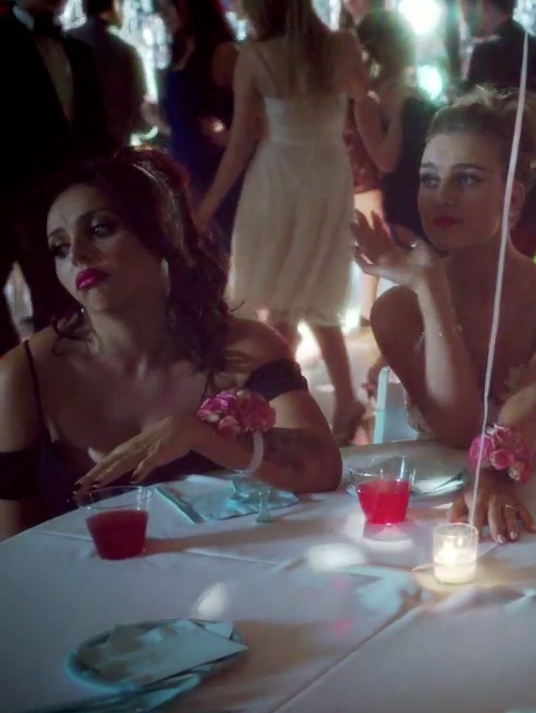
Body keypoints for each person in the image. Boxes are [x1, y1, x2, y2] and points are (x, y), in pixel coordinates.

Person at [0, 149, 342, 541]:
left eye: (99, 229)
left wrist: (204, 436)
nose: (77, 255)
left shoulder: (248, 348)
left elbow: (323, 469)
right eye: (59, 248)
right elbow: (10, 544)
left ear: (164, 232)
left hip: (230, 566)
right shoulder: (23, 375)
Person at [352, 87, 536, 545]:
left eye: (466, 180)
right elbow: (459, 426)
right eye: (430, 179)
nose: (442, 197)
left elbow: (534, 401)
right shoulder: (396, 310)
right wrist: (431, 290)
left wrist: (495, 471)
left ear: (513, 200)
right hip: (429, 519)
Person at [197, 0, 369, 445]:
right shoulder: (341, 45)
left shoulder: (255, 56)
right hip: (327, 174)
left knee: (285, 295)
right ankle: (318, 400)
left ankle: (267, 403)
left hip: (279, 179)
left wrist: (206, 207)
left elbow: (239, 144)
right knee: (306, 293)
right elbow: (360, 100)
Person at [0, 0, 117, 355]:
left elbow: (96, 134)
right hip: (11, 204)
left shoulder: (81, 52)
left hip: (73, 204)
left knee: (66, 306)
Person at [460, 0, 536, 260]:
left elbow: (473, 118)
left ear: (483, 5)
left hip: (504, 181)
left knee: (496, 268)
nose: (462, 16)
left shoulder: (490, 52)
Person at [155, 0, 240, 251]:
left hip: (220, 179)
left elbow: (254, 125)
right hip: (184, 177)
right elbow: (187, 127)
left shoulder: (223, 53)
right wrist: (159, 120)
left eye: (169, 7)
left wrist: (226, 135)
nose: (163, 15)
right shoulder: (179, 51)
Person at [355, 9, 437, 244]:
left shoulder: (411, 89)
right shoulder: (368, 100)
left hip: (430, 192)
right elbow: (385, 161)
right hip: (405, 203)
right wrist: (403, 111)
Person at [339, 0, 387, 328]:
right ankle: (364, 308)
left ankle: (367, 308)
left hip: (355, 138)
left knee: (370, 222)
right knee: (368, 220)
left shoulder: (361, 38)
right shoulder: (343, 40)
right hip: (349, 140)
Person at [68, 0, 148, 148]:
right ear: (114, 4)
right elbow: (140, 118)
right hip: (115, 150)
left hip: (74, 150)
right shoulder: (126, 53)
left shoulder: (65, 43)